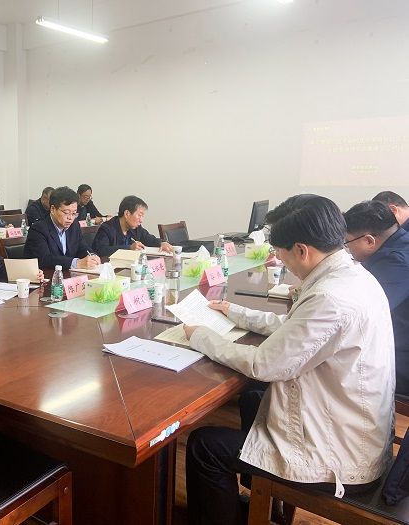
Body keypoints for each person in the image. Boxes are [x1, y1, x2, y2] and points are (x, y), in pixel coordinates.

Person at [181, 196, 395, 525]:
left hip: (341, 458)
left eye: (279, 252)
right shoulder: (351, 276)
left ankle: (243, 503)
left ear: (301, 250)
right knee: (252, 400)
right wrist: (235, 311)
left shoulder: (330, 296)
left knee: (204, 446)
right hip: (353, 429)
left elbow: (264, 365)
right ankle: (259, 502)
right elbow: (297, 329)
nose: (279, 259)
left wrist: (201, 336)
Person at [344, 200, 409, 396]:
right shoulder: (398, 244)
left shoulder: (397, 261)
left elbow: (360, 312)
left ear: (369, 241)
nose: (348, 250)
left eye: (348, 242)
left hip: (398, 358)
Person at [23, 186, 100, 270]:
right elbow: (45, 259)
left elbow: (82, 247)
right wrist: (76, 263)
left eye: (74, 213)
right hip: (46, 275)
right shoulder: (38, 229)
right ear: (53, 209)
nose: (70, 218)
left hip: (68, 274)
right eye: (66, 212)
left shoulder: (74, 225)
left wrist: (92, 256)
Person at [91, 195, 173, 257]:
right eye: (139, 215)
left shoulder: (136, 228)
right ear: (127, 214)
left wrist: (162, 243)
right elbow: (101, 251)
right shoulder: (107, 228)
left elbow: (149, 238)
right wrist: (129, 248)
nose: (141, 220)